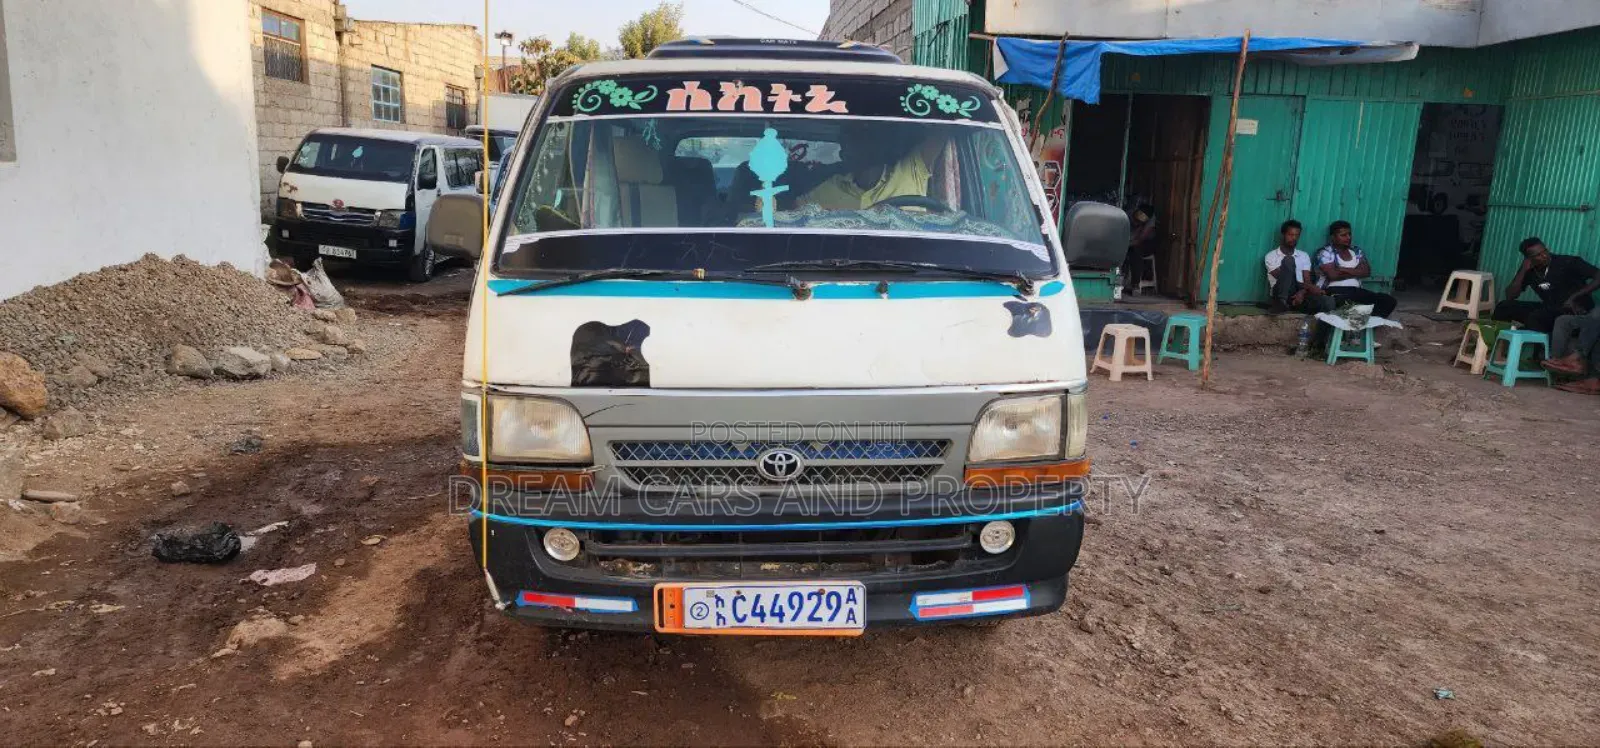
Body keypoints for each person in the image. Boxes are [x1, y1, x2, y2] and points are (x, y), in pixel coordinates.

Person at [797, 125, 945, 211]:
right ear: (844, 153)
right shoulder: (830, 188)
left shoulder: (910, 168)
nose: (864, 147)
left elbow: (944, 127)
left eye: (868, 138)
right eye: (854, 141)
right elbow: (791, 216)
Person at [1491, 237, 1600, 334]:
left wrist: (1574, 297)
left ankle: (1539, 347)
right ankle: (1497, 342)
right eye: (1538, 255)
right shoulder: (1529, 270)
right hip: (1550, 308)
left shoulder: (1568, 262)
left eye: (1545, 251)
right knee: (1503, 307)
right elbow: (1510, 296)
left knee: (1536, 317)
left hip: (1575, 309)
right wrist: (1523, 270)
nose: (1545, 256)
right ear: (1529, 259)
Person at [1316, 220, 1397, 318]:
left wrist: (1343, 269)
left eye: (1349, 234)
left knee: (1389, 301)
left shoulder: (1356, 251)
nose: (1348, 238)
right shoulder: (1325, 252)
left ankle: (1369, 322)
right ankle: (1359, 319)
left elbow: (1366, 272)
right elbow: (1333, 275)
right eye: (1343, 235)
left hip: (1356, 291)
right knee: (1352, 299)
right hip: (1334, 291)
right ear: (1333, 237)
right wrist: (1357, 271)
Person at [1263, 219, 1333, 314]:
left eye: (1297, 235)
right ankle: (1281, 303)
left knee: (1328, 302)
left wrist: (1302, 292)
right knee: (1289, 260)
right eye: (1290, 235)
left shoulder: (1303, 255)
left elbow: (1307, 281)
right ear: (1283, 235)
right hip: (1279, 292)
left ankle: (1292, 305)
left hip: (1300, 293)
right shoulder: (1271, 256)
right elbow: (1284, 278)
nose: (1294, 238)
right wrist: (1309, 288)